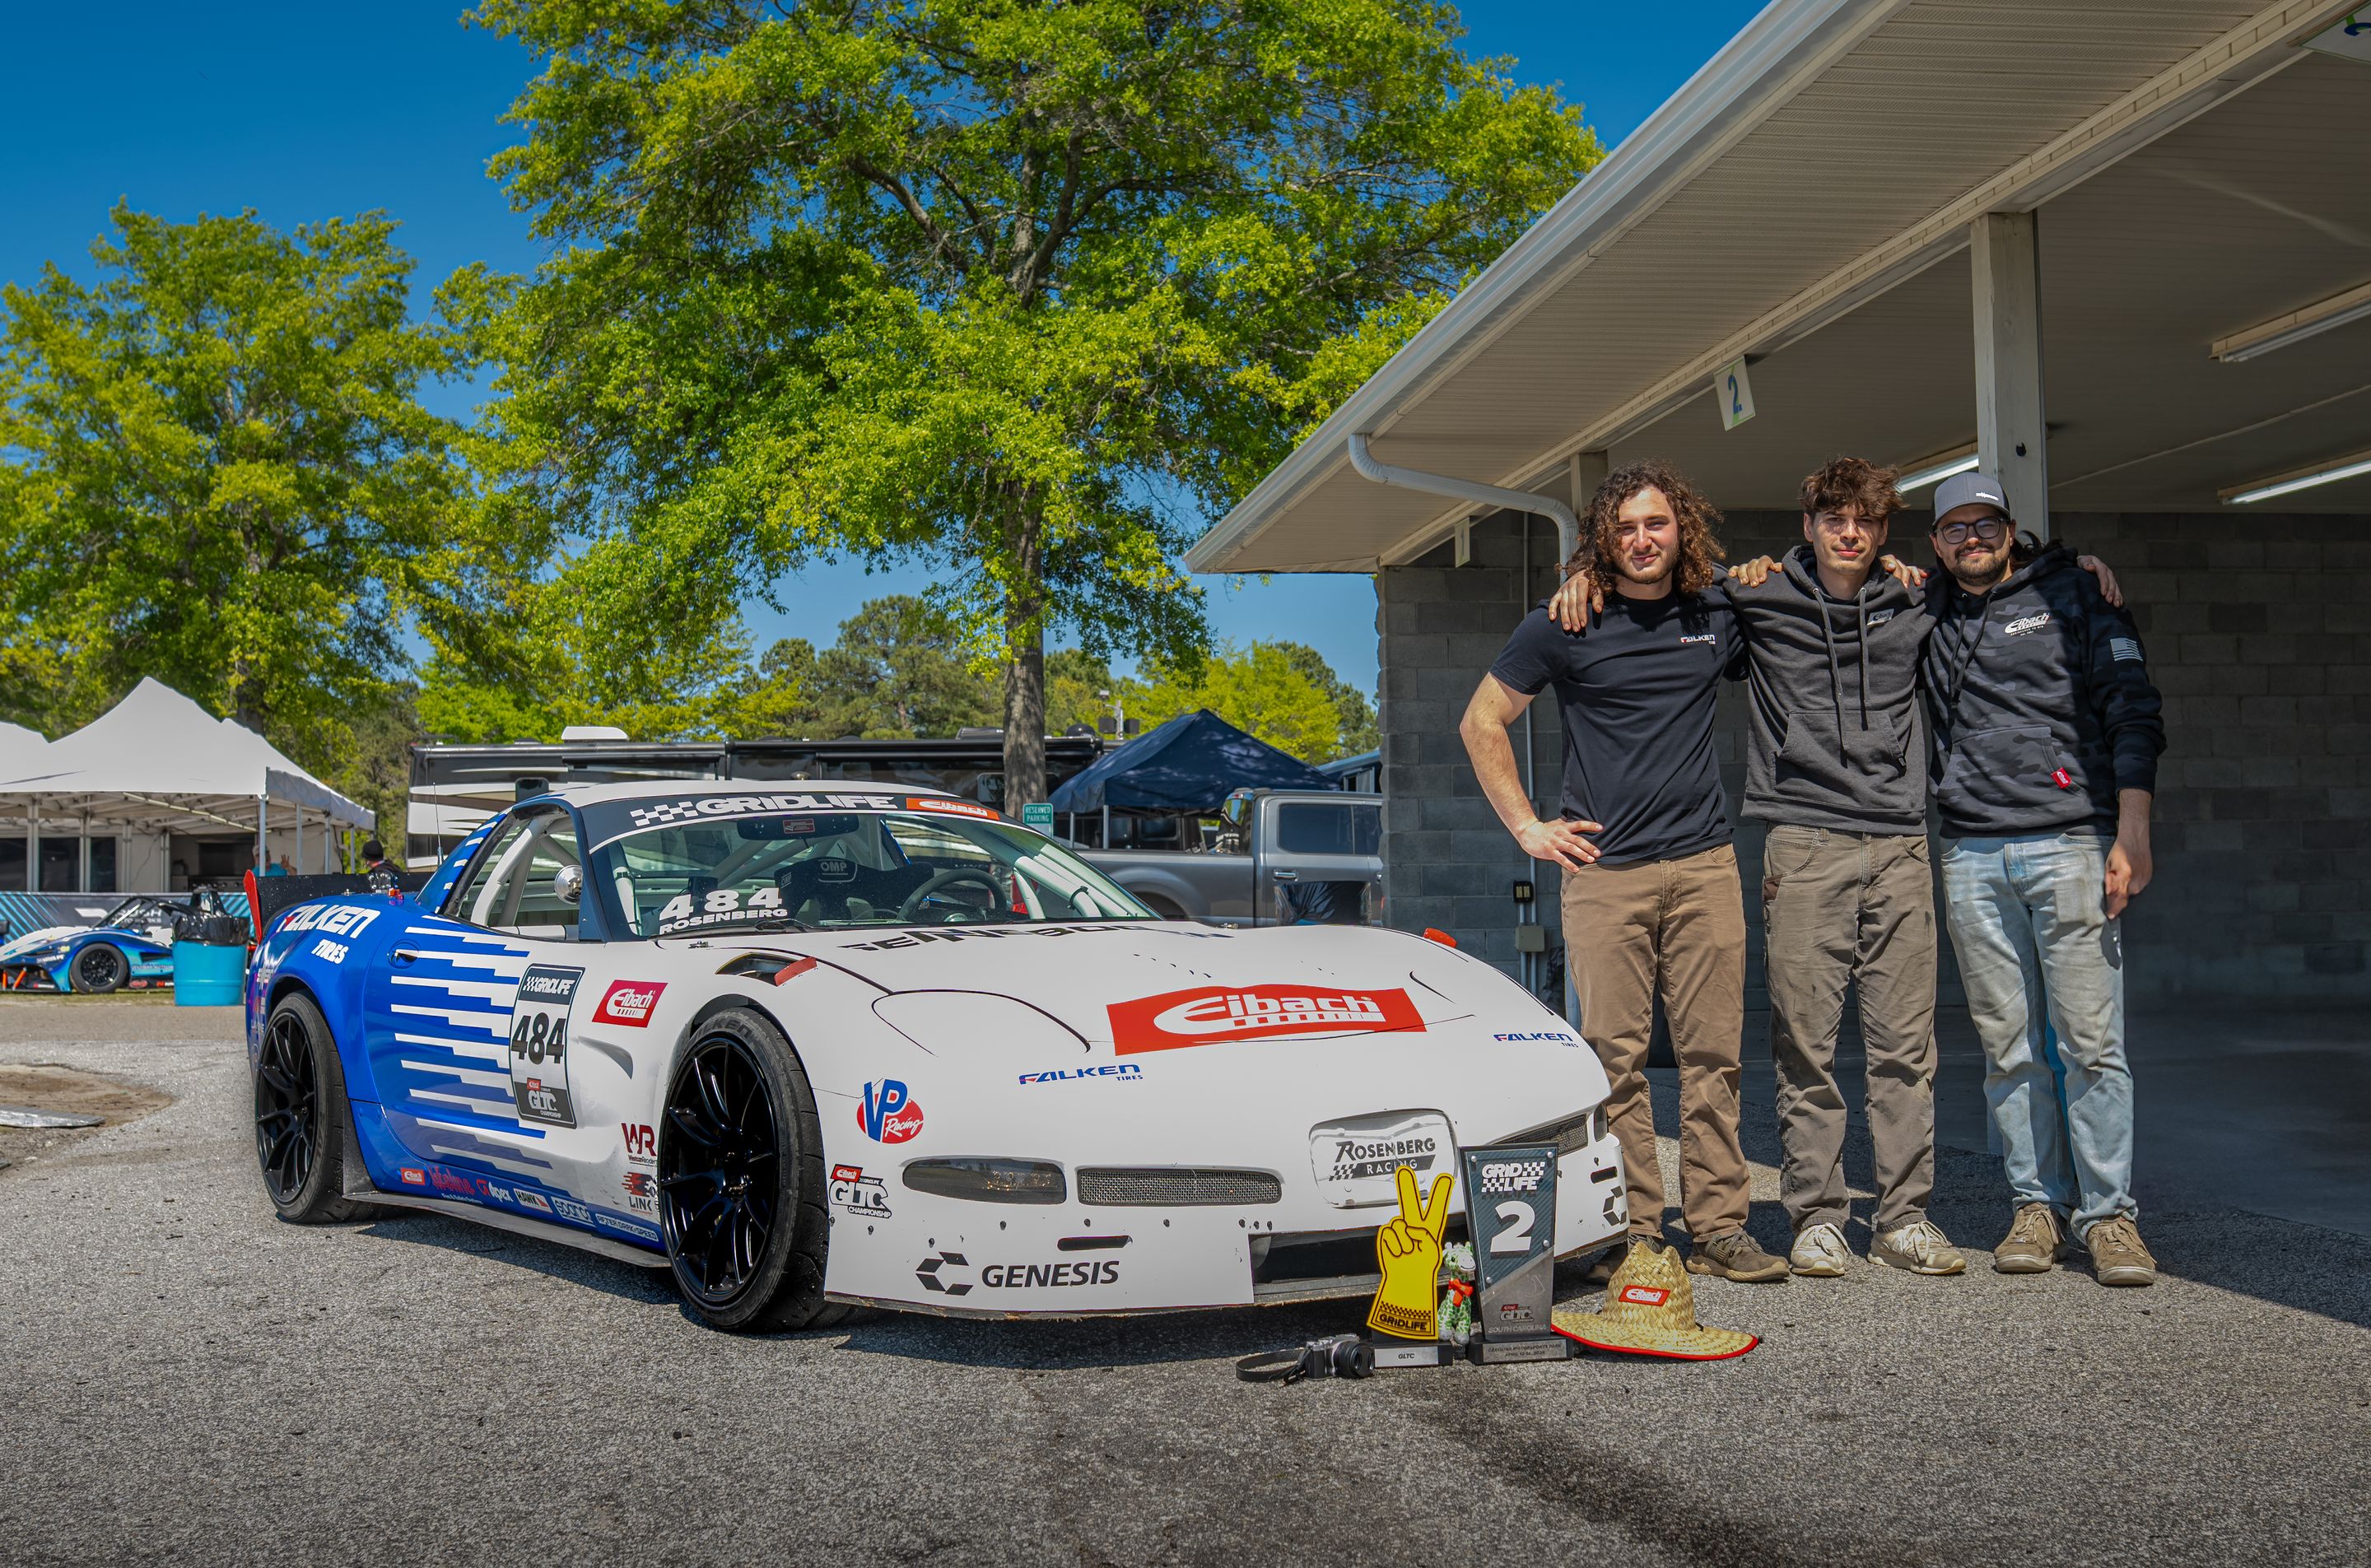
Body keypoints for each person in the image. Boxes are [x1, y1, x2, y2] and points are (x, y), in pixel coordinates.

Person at [1461, 459, 1786, 1284]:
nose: (1644, 541)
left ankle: (1717, 1227)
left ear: (1683, 529)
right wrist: (1529, 828)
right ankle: (1637, 1228)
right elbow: (1482, 721)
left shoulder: (1717, 610)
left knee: (1716, 1056)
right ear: (1603, 539)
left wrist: (1768, 570)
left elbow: (1798, 589)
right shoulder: (1565, 623)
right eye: (1626, 528)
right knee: (1614, 1062)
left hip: (1706, 865)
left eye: (1657, 524)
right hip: (1607, 875)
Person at [1921, 470, 2164, 1287]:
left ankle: (2110, 1217)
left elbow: (2132, 706)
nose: (1971, 540)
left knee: (2091, 1042)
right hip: (1971, 853)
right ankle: (2036, 1207)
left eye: (1984, 524)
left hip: (2073, 845)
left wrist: (2133, 827)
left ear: (2011, 528)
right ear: (1935, 543)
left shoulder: (2075, 593)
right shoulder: (1929, 606)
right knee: (2008, 1045)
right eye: (1954, 528)